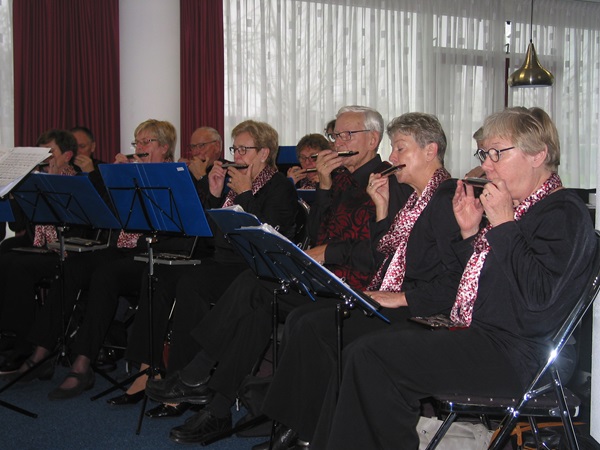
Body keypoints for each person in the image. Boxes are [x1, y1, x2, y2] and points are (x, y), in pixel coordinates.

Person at [311, 107, 597, 449]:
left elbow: (538, 303)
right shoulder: (522, 209)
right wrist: (470, 234)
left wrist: (503, 227)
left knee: (373, 358)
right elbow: (482, 286)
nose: (487, 165)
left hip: (524, 356)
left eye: (497, 153)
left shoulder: (563, 213)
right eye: (484, 154)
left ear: (538, 154)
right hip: (491, 337)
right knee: (363, 352)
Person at [144, 105, 413, 442]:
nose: (338, 141)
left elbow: (382, 251)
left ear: (373, 139)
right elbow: (317, 234)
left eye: (348, 135)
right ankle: (215, 405)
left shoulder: (388, 181)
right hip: (323, 275)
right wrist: (325, 188)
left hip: (356, 285)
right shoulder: (340, 178)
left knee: (255, 287)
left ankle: (199, 379)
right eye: (336, 135)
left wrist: (329, 251)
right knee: (257, 302)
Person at [254, 112, 462, 449]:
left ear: (430, 151)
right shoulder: (416, 198)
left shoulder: (445, 198)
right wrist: (381, 209)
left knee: (322, 326)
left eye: (400, 149)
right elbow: (387, 256)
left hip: (422, 310)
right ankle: (303, 426)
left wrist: (402, 297)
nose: (392, 159)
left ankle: (307, 430)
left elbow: (452, 278)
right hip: (394, 295)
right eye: (393, 149)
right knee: (310, 320)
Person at [106, 120, 298, 410]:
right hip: (220, 261)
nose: (237, 155)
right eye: (236, 148)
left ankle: (186, 379)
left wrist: (245, 194)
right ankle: (155, 369)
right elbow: (205, 234)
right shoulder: (234, 185)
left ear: (264, 153)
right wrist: (215, 194)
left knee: (192, 284)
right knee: (160, 276)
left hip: (251, 268)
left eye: (244, 149)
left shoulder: (279, 186)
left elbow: (267, 239)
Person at [3, 120, 177, 397]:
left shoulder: (174, 176)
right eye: (137, 142)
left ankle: (82, 364)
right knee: (72, 266)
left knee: (105, 275)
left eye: (147, 142)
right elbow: (93, 200)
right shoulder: (128, 171)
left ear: (165, 147)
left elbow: (174, 225)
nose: (140, 147)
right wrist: (111, 176)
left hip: (149, 254)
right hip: (119, 250)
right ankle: (39, 354)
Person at [0, 129, 82, 373]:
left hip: (66, 249)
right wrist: (14, 193)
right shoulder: (35, 180)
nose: (45, 159)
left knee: (18, 265)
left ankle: (21, 341)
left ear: (67, 155)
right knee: (4, 252)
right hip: (40, 244)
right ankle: (6, 334)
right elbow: (17, 226)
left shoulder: (76, 181)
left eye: (50, 153)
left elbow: (79, 226)